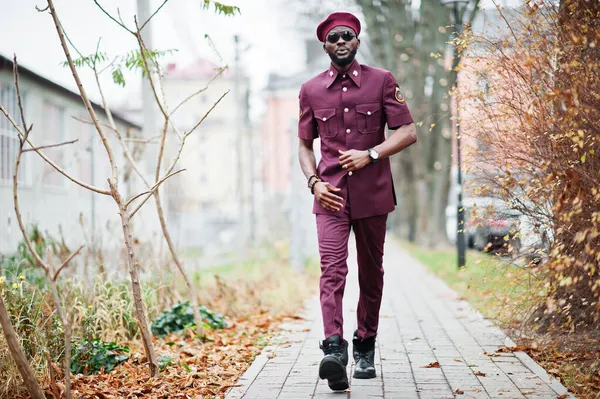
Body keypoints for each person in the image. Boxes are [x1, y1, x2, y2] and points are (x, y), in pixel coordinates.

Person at [297, 11, 418, 391]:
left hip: (373, 195)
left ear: (357, 41)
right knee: (332, 270)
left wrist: (373, 154)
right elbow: (303, 144)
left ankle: (365, 346)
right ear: (325, 47)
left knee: (371, 273)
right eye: (333, 39)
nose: (340, 43)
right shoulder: (310, 90)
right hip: (330, 196)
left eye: (346, 36)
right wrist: (314, 181)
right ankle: (334, 348)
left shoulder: (382, 81)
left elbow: (408, 130)